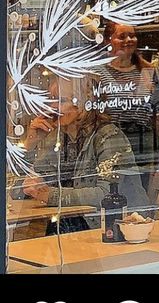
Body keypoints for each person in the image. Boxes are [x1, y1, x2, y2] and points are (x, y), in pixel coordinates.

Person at [20, 79, 150, 226]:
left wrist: (51, 195)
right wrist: (30, 144)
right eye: (50, 100)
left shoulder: (108, 137)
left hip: (119, 227)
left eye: (61, 100)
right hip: (79, 225)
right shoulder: (60, 138)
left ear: (83, 104)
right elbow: (19, 191)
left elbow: (106, 193)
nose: (53, 107)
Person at [99, 20, 159, 172]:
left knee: (142, 193)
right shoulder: (99, 72)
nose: (128, 40)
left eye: (132, 36)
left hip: (143, 147)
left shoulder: (147, 70)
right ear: (108, 40)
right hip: (112, 145)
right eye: (122, 36)